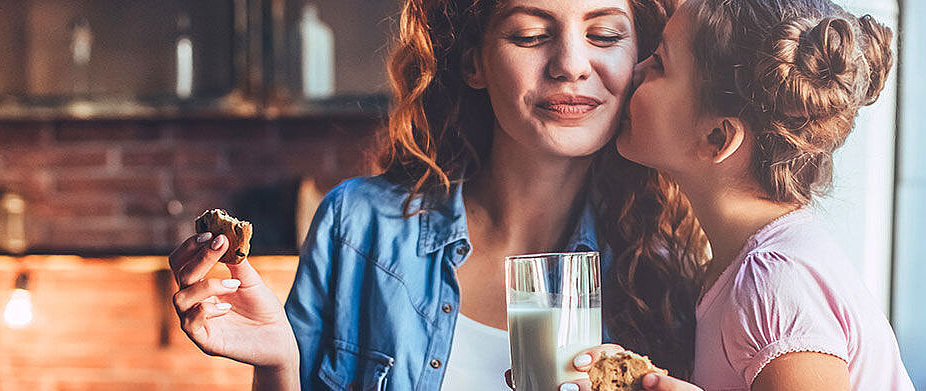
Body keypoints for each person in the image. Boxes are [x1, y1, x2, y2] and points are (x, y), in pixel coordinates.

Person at [166, 0, 709, 389]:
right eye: (529, 34)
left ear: (640, 58)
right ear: (474, 63)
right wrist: (279, 362)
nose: (570, 64)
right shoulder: (357, 225)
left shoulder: (666, 272)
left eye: (606, 35)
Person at [562, 0, 913, 389]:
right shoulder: (741, 264)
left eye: (659, 64)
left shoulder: (775, 280)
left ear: (718, 138)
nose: (635, 70)